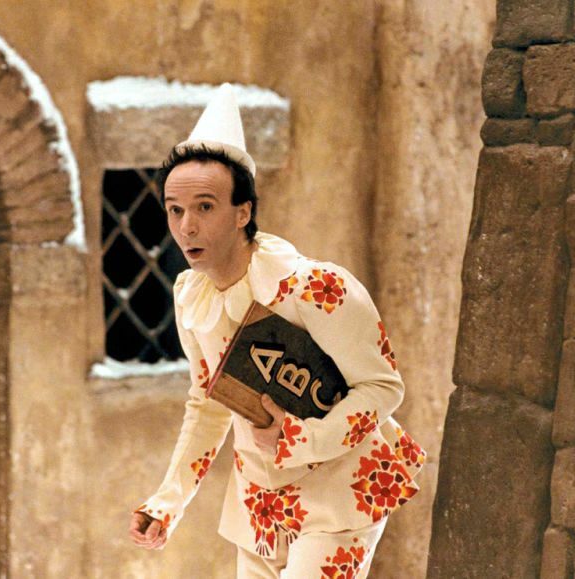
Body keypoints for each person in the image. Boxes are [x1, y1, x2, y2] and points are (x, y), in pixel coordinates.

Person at [129, 84, 425, 578]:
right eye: (175, 209)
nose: (186, 227)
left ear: (243, 212)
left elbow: (383, 387)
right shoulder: (192, 297)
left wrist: (301, 439)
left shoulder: (314, 286)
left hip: (342, 491)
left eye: (205, 206)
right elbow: (208, 402)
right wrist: (168, 502)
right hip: (261, 506)